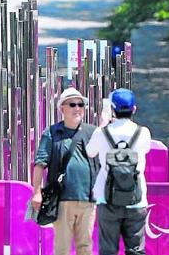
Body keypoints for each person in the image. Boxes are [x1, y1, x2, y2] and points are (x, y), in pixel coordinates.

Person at [31, 87, 99, 255]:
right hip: (61, 200)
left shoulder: (93, 132)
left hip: (88, 199)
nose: (77, 108)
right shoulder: (52, 132)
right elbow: (40, 164)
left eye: (81, 104)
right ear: (62, 108)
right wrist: (37, 192)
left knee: (85, 247)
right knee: (62, 249)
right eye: (72, 104)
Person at [86, 88, 152, 255]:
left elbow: (90, 152)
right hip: (136, 199)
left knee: (108, 250)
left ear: (112, 110)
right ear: (134, 109)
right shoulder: (143, 133)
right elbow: (146, 149)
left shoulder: (102, 133)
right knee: (136, 250)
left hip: (107, 199)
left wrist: (102, 124)